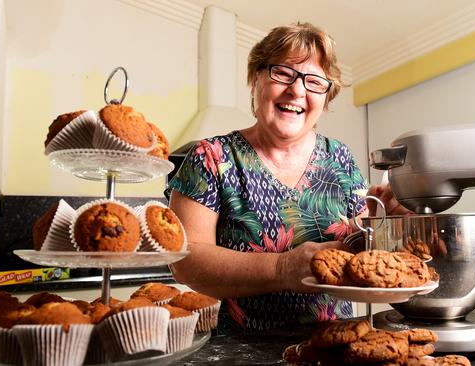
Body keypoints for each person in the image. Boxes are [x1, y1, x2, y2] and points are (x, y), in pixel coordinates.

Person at [167, 22, 407, 333]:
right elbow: (185, 261)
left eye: (314, 81)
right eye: (282, 73)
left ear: (325, 97)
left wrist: (384, 226)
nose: (297, 90)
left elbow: (360, 253)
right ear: (256, 79)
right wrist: (283, 268)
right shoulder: (211, 157)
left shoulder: (340, 159)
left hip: (335, 342)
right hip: (238, 348)